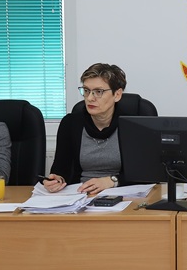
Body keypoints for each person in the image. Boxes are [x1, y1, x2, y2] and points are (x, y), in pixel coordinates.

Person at [43, 63, 128, 196]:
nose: (89, 98)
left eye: (98, 92)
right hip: (80, 195)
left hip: (124, 195)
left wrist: (112, 181)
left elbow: (144, 172)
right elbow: (61, 169)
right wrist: (57, 180)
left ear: (117, 94)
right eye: (86, 90)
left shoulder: (131, 125)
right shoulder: (70, 123)